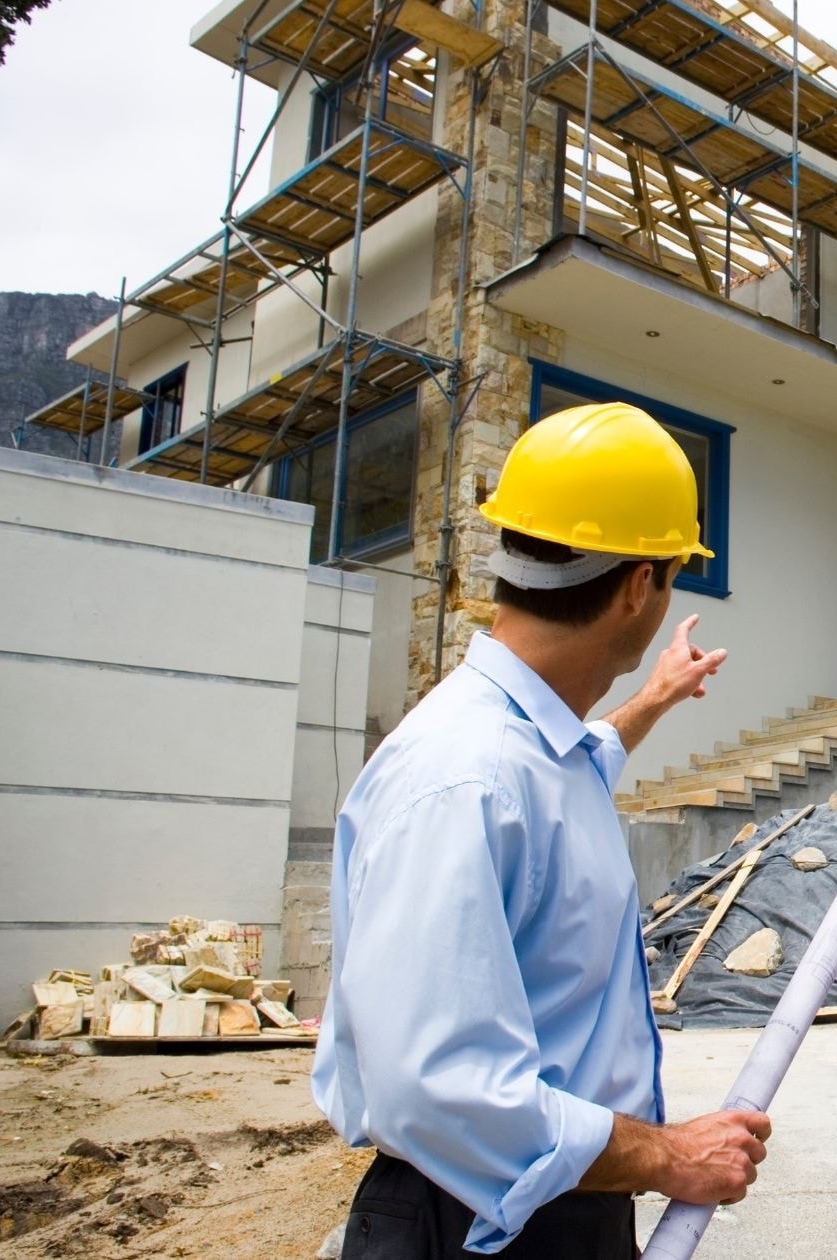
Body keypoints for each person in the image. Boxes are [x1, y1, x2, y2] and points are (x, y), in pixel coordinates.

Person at [313, 402, 770, 1258]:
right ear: (641, 584)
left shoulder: (523, 753)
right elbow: (439, 1086)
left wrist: (655, 699)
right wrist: (669, 1156)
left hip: (543, 1203)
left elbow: (571, 770)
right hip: (481, 1224)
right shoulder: (464, 778)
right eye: (671, 575)